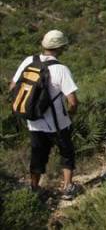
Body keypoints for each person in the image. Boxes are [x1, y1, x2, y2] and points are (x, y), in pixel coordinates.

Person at [9, 30, 79, 198]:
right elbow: (73, 101)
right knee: (66, 153)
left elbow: (13, 87)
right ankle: (67, 188)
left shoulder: (29, 61)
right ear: (61, 48)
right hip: (58, 123)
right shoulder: (61, 69)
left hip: (33, 121)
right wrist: (70, 115)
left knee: (37, 155)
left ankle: (34, 188)